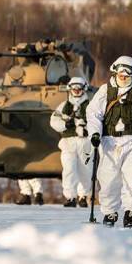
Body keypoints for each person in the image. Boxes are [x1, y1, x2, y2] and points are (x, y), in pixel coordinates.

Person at [86, 55, 132, 228]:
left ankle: (130, 213)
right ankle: (110, 212)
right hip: (109, 142)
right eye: (121, 74)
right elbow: (93, 115)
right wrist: (95, 134)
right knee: (108, 179)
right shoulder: (105, 91)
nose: (123, 77)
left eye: (127, 75)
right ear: (115, 72)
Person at [50, 76, 93, 208]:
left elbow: (98, 122)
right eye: (73, 88)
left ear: (84, 89)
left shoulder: (91, 106)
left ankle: (83, 196)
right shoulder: (63, 106)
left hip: (85, 143)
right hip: (68, 142)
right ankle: (70, 197)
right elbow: (54, 121)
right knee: (69, 170)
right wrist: (65, 124)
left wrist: (88, 130)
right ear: (69, 89)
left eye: (79, 88)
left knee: (85, 171)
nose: (76, 90)